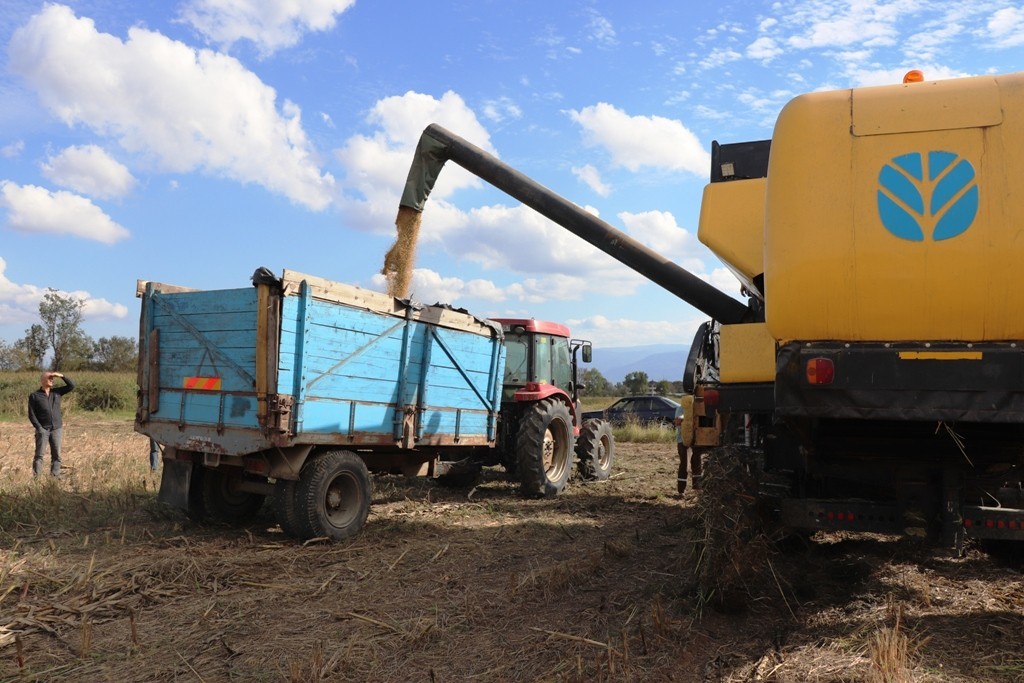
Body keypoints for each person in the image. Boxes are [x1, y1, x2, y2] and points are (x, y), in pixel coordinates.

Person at [28, 371, 75, 478]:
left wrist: (62, 376)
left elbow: (72, 386)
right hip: (43, 429)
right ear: (42, 380)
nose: (52, 380)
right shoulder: (35, 396)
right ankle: (37, 479)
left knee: (57, 455)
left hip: (56, 429)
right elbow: (31, 414)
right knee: (39, 455)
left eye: (52, 378)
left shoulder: (57, 392)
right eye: (49, 378)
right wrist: (39, 428)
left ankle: (54, 477)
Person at [673, 401, 701, 495]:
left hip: (696, 441)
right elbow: (677, 421)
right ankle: (681, 491)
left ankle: (697, 488)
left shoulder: (699, 407)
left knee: (697, 464)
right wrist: (684, 418)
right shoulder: (681, 408)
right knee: (685, 465)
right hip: (683, 441)